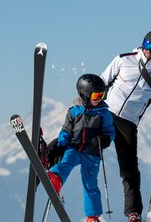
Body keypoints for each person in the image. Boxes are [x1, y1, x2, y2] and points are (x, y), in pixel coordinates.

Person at [101, 29, 151, 222]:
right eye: (147, 45)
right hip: (106, 112)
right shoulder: (124, 60)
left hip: (128, 122)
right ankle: (51, 155)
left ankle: (133, 212)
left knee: (129, 168)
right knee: (79, 138)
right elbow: (102, 81)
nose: (150, 51)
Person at [47, 74, 116, 222]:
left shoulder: (104, 113)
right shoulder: (74, 111)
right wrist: (61, 145)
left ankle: (93, 216)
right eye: (97, 95)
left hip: (92, 152)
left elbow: (110, 132)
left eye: (102, 95)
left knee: (90, 182)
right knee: (66, 161)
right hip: (74, 147)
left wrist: (104, 139)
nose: (100, 99)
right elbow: (66, 130)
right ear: (85, 95)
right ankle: (56, 178)